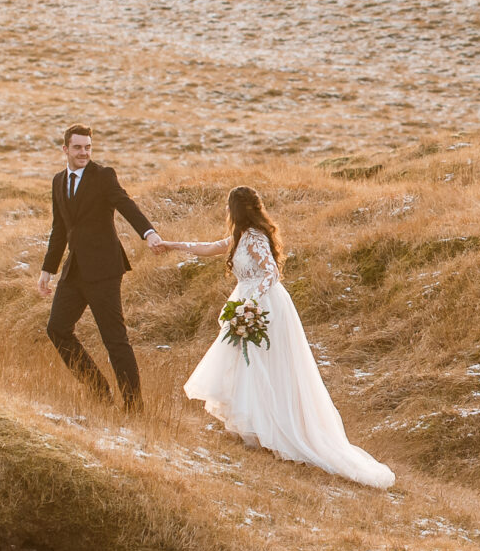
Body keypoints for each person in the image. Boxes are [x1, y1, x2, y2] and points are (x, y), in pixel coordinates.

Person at [162, 186, 394, 488]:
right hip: (246, 302)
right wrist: (171, 244)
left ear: (236, 209)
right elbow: (207, 246)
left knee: (261, 362)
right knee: (242, 362)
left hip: (265, 304)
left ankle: (267, 428)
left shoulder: (256, 238)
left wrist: (251, 301)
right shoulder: (240, 237)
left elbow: (270, 273)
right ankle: (250, 427)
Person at [37, 124, 163, 410]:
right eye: (78, 147)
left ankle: (134, 407)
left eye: (88, 147)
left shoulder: (103, 176)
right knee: (57, 329)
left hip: (105, 270)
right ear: (65, 149)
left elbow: (126, 204)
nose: (84, 152)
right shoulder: (58, 181)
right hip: (74, 270)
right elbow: (60, 229)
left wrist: (149, 233)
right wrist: (48, 270)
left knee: (114, 340)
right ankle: (98, 389)